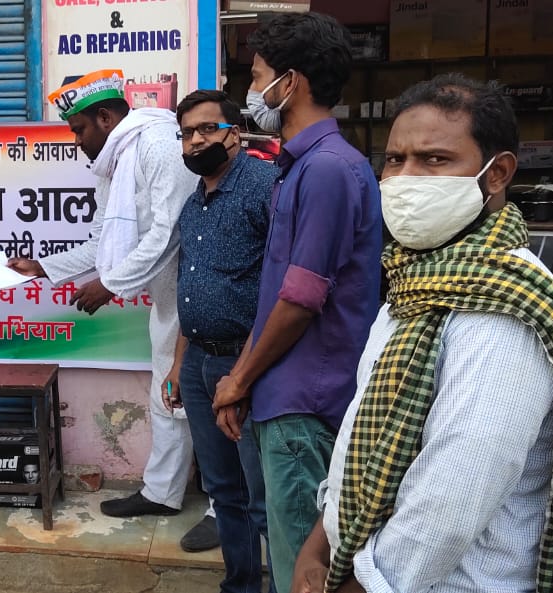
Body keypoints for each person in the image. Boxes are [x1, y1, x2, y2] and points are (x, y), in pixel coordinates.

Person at [295, 74, 553, 593]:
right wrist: (319, 542)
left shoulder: (506, 312)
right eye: (395, 160)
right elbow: (358, 439)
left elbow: (453, 496)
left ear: (497, 173)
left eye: (435, 160)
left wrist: (359, 586)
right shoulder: (416, 281)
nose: (406, 178)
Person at [210, 13, 382, 593]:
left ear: (291, 82)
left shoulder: (329, 169)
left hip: (307, 406)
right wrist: (244, 378)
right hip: (283, 396)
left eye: (256, 77)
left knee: (302, 575)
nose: (250, 92)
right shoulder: (299, 166)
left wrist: (239, 381)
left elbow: (303, 299)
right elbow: (278, 294)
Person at [8, 69, 201, 522]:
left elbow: (168, 233)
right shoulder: (117, 160)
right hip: (169, 297)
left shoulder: (156, 146)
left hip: (199, 291)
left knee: (201, 397)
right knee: (170, 393)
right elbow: (102, 241)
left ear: (106, 116)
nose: (76, 140)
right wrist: (43, 267)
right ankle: (163, 492)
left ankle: (223, 509)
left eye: (78, 129)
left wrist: (111, 284)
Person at [168, 90, 278, 592]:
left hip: (250, 363)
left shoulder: (264, 187)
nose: (196, 141)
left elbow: (282, 287)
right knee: (222, 492)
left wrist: (244, 373)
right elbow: (188, 289)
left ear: (235, 131)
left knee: (263, 495)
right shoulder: (194, 204)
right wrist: (178, 364)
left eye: (207, 129)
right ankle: (239, 585)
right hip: (199, 364)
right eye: (188, 133)